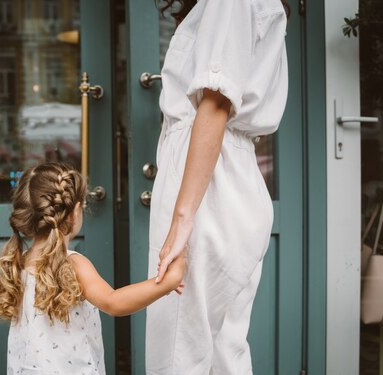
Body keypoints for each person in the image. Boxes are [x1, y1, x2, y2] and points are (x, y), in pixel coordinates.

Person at [147, 0, 290, 374]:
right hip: (227, 176)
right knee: (223, 349)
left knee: (180, 348)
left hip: (209, 182)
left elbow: (215, 103)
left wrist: (182, 218)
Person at [0, 162, 186, 374]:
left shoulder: (18, 262)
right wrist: (166, 283)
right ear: (75, 212)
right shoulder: (72, 264)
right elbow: (113, 302)